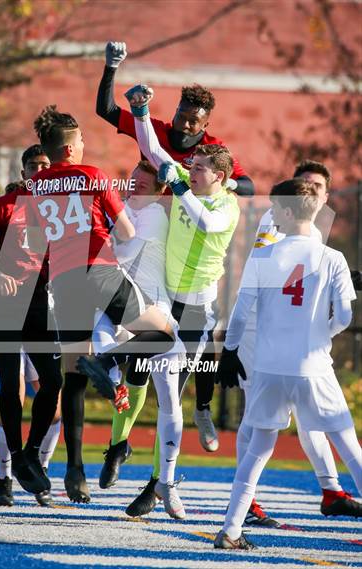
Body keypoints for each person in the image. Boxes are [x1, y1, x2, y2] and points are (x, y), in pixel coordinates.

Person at [26, 105, 178, 503]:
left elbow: (42, 235)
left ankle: (74, 471)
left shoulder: (37, 184)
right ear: (71, 148)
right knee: (161, 332)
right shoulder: (92, 176)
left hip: (64, 280)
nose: (84, 144)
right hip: (100, 271)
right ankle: (109, 362)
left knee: (73, 378)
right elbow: (125, 232)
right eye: (81, 140)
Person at [105, 85, 239, 517]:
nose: (190, 169)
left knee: (171, 396)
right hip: (165, 298)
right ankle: (162, 482)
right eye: (192, 165)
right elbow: (151, 147)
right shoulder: (184, 180)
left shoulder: (227, 205)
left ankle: (163, 481)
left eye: (199, 167)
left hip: (196, 309)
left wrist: (179, 185)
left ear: (217, 176)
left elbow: (204, 219)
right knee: (162, 390)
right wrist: (141, 110)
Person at [214, 179, 361, 550]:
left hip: (268, 367)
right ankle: (233, 528)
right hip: (312, 366)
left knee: (259, 448)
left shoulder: (264, 256)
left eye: (276, 208)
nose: (272, 214)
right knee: (347, 444)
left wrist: (230, 352)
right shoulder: (333, 259)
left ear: (289, 211)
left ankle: (231, 529)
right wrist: (320, 332)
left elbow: (241, 309)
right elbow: (344, 315)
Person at [0, 150, 64, 498]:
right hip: (6, 305)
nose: (40, 172)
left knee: (53, 381)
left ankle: (32, 455)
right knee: (11, 387)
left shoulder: (59, 209)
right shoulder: (6, 204)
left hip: (39, 304)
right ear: (23, 171)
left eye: (46, 167)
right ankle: (11, 467)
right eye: (34, 167)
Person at [93, 160, 187, 518]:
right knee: (121, 376)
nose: (134, 188)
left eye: (143, 185)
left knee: (164, 394)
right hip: (118, 303)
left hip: (151, 308)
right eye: (132, 180)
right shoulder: (122, 205)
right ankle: (118, 447)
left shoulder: (153, 216)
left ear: (159, 191)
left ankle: (162, 481)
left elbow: (121, 252)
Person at [97, 41, 254, 197]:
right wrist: (111, 66)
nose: (184, 124)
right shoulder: (153, 130)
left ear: (205, 125)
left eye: (193, 121)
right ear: (176, 111)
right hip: (152, 210)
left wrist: (225, 181)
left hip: (187, 216)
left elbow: (249, 188)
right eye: (181, 117)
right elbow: (106, 110)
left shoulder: (213, 148)